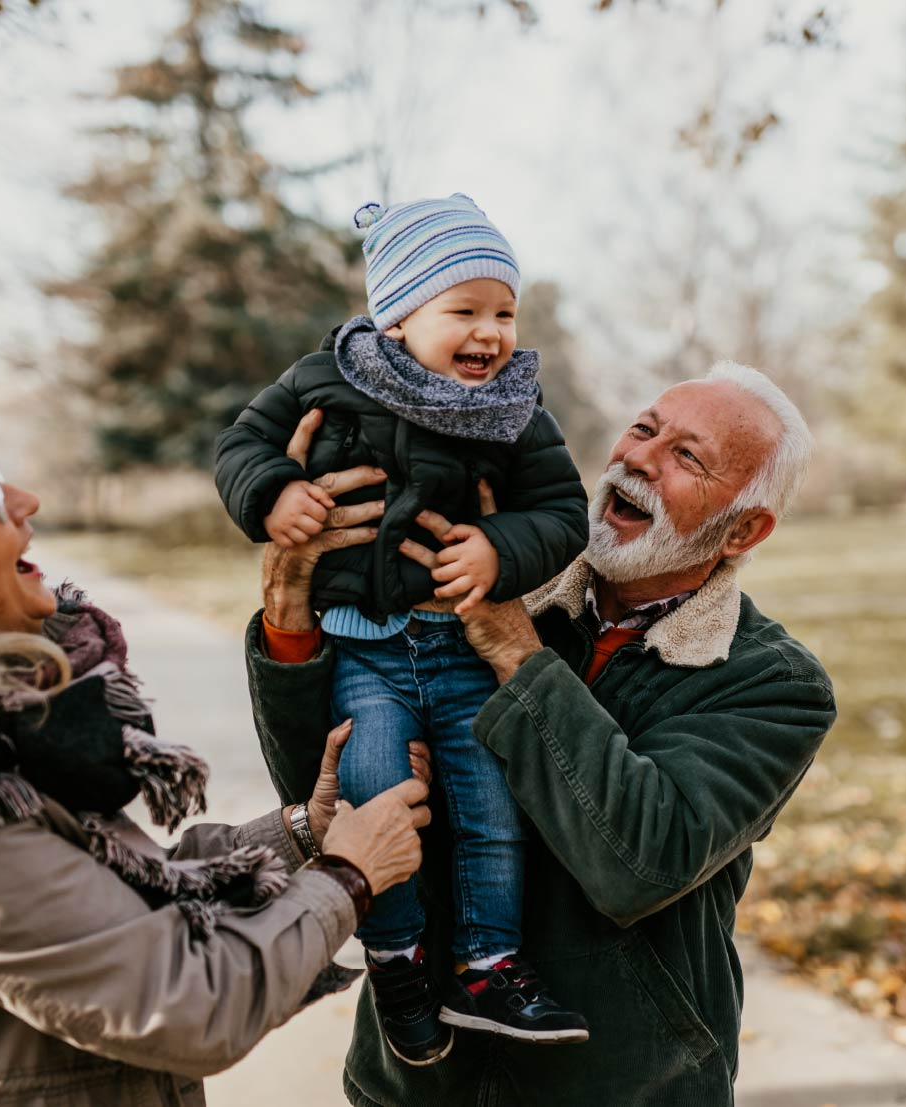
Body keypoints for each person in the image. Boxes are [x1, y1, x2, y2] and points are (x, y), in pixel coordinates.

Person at [0, 386, 433, 1107]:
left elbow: (108, 917)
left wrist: (301, 833)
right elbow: (183, 999)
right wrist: (348, 874)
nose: (27, 500)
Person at [244, 361, 837, 1105]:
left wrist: (514, 650)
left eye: (687, 456)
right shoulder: (477, 577)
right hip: (417, 1081)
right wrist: (290, 612)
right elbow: (331, 796)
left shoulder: (770, 682)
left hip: (622, 1088)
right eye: (643, 429)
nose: (639, 459)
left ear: (744, 528)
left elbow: (640, 860)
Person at [216, 194, 590, 1063]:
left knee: (489, 804)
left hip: (462, 648)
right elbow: (243, 443)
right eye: (463, 310)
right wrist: (275, 491)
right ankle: (396, 959)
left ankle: (489, 963)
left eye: (504, 312)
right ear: (396, 316)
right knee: (378, 798)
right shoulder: (323, 379)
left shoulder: (514, 410)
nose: (490, 333)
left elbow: (560, 511)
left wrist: (499, 548)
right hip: (364, 647)